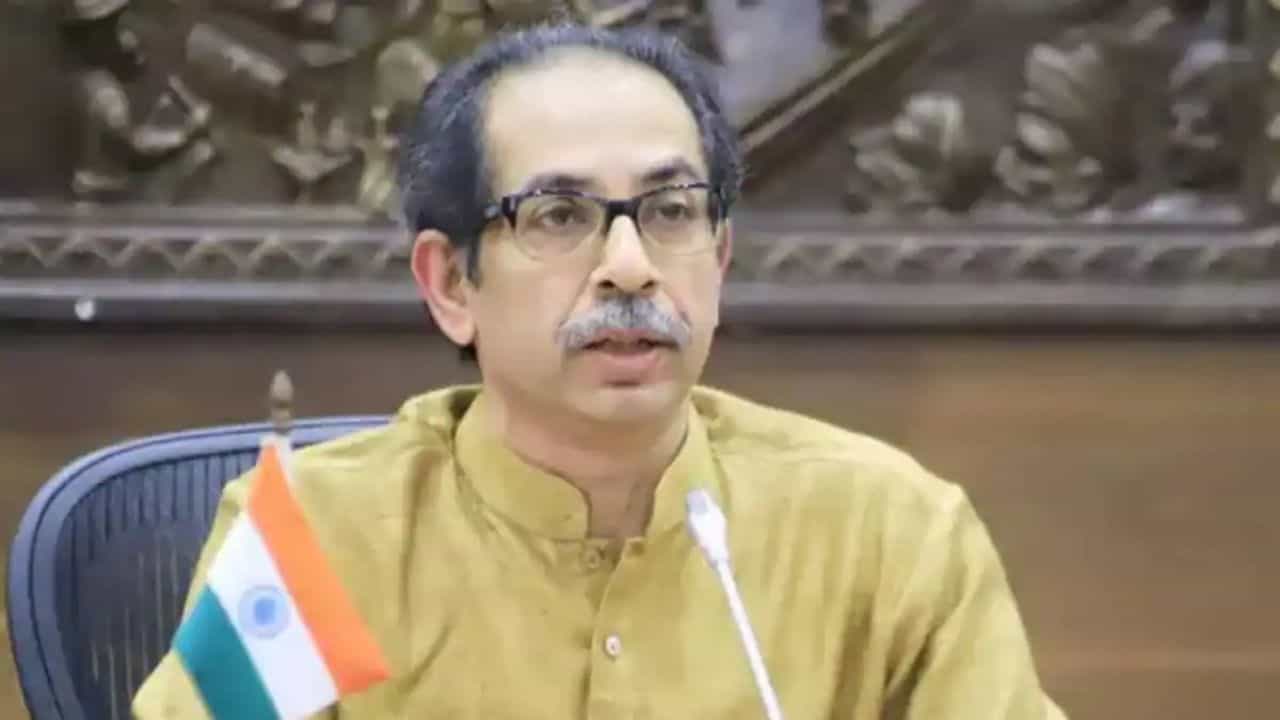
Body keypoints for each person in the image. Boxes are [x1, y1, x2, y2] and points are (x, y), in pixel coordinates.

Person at [132, 23, 1067, 719]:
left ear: (719, 259)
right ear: (451, 283)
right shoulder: (315, 541)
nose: (630, 264)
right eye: (559, 216)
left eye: (671, 211)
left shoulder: (892, 533)